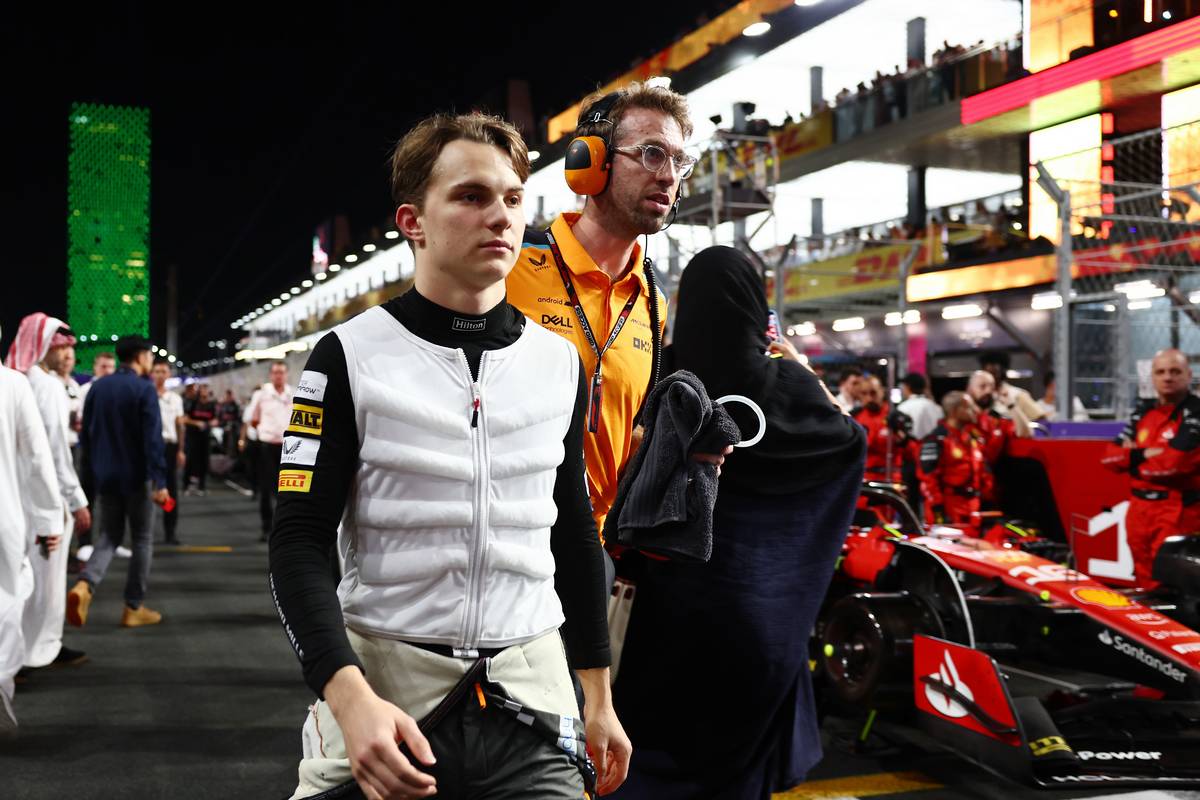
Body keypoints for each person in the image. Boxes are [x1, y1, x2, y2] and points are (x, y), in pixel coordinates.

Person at [269, 111, 629, 800]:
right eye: (471, 196)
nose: (501, 215)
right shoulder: (348, 354)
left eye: (513, 198)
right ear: (413, 221)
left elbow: (573, 532)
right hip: (384, 694)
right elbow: (298, 540)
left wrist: (600, 695)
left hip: (531, 695)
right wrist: (347, 698)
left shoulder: (558, 364)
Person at [611, 246, 866, 798]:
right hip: (762, 625)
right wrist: (800, 369)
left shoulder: (661, 373)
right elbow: (851, 442)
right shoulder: (790, 386)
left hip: (663, 617)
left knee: (651, 747)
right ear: (757, 306)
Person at [508, 81, 719, 538]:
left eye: (679, 161)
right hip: (504, 540)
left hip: (596, 550)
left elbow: (622, 430)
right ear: (591, 162)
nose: (668, 176)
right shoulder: (512, 268)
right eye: (651, 154)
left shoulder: (652, 299)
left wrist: (677, 448)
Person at [4, 313, 91, 669]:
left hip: (14, 496)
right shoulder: (41, 385)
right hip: (40, 500)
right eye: (61, 345)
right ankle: (37, 651)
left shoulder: (19, 380)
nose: (67, 352)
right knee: (45, 581)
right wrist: (74, 500)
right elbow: (50, 453)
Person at [68, 336, 169, 629]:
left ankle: (85, 584)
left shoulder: (98, 387)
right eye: (149, 355)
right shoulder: (144, 388)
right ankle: (132, 606)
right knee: (141, 539)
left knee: (109, 535)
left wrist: (89, 478)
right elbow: (152, 441)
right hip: (136, 478)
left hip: (104, 476)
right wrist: (160, 480)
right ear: (140, 356)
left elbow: (86, 436)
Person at [0, 349, 63, 728]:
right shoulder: (12, 384)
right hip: (4, 517)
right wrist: (48, 519)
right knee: (7, 599)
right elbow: (38, 458)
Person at [1102, 349, 1200, 586]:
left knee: (1173, 582)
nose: (1168, 377)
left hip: (1177, 510)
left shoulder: (1196, 411)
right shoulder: (1143, 412)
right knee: (1143, 578)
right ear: (1152, 377)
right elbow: (1109, 458)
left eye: (1175, 371)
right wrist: (1144, 454)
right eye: (1161, 372)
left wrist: (1132, 459)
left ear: (1189, 375)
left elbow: (1175, 464)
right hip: (1138, 510)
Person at [920, 391, 988, 525]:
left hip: (974, 508)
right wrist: (938, 509)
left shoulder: (973, 438)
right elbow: (928, 478)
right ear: (955, 411)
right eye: (969, 407)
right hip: (949, 509)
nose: (974, 410)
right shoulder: (937, 439)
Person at [242, 361, 292, 541]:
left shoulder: (292, 393)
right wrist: (266, 431)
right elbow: (252, 419)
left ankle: (285, 528)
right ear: (271, 375)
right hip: (267, 445)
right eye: (276, 373)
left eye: (282, 372)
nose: (279, 376)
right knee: (266, 488)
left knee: (288, 490)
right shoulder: (261, 394)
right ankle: (266, 527)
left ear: (286, 375)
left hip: (289, 447)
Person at [852, 375, 915, 484]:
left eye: (873, 393)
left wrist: (901, 437)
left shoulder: (896, 417)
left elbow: (912, 453)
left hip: (891, 479)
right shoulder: (854, 418)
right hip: (862, 480)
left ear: (882, 391)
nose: (869, 398)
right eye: (864, 394)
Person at [152, 359, 186, 545]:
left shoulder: (175, 399)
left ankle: (169, 531)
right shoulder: (146, 394)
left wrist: (181, 450)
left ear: (168, 374)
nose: (160, 375)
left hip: (169, 447)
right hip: (150, 446)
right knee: (147, 488)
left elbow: (180, 426)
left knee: (170, 490)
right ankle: (144, 531)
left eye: (163, 371)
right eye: (156, 371)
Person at [979, 350, 1042, 436]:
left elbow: (1040, 420)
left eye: (994, 373)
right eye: (987, 373)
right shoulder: (979, 396)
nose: (991, 378)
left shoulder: (1018, 395)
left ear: (1002, 372)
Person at [183, 383, 216, 495]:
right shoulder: (192, 403)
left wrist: (212, 423)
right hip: (192, 436)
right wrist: (197, 423)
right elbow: (185, 419)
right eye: (202, 390)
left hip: (205, 437)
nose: (204, 392)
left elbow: (215, 419)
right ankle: (186, 485)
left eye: (206, 390)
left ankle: (202, 486)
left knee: (204, 461)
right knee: (190, 460)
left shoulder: (211, 405)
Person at [897, 372, 943, 441]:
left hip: (913, 449)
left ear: (908, 387)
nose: (902, 390)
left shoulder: (903, 408)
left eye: (903, 386)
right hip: (934, 449)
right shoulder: (937, 408)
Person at [217, 389, 241, 457]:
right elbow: (219, 416)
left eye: (229, 396)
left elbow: (238, 418)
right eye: (227, 396)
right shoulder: (223, 405)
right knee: (223, 442)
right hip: (223, 428)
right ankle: (223, 453)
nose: (228, 397)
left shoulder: (236, 405)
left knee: (232, 443)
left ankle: (232, 455)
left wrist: (233, 424)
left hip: (233, 428)